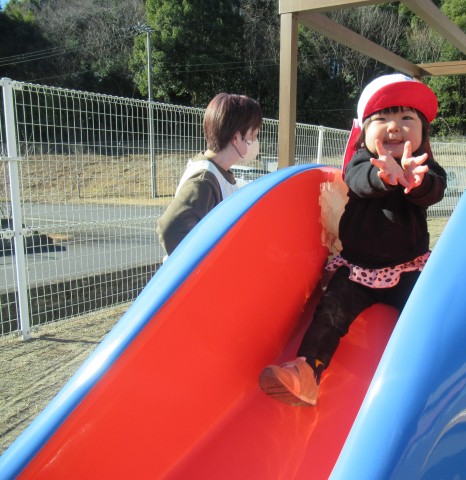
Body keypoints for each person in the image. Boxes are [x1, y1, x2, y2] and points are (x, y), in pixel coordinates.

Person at [258, 73, 447, 407]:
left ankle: (436, 374)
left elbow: (436, 189)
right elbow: (358, 180)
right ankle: (307, 371)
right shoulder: (361, 162)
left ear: (423, 132)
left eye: (407, 118)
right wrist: (384, 176)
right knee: (331, 311)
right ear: (364, 131)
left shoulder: (424, 166)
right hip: (359, 270)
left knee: (427, 311)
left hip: (408, 267)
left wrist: (417, 181)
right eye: (382, 119)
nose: (395, 127)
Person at [157, 93, 263, 256]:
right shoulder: (203, 180)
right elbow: (170, 230)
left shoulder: (218, 172)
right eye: (253, 136)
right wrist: (208, 264)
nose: (255, 142)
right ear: (236, 138)